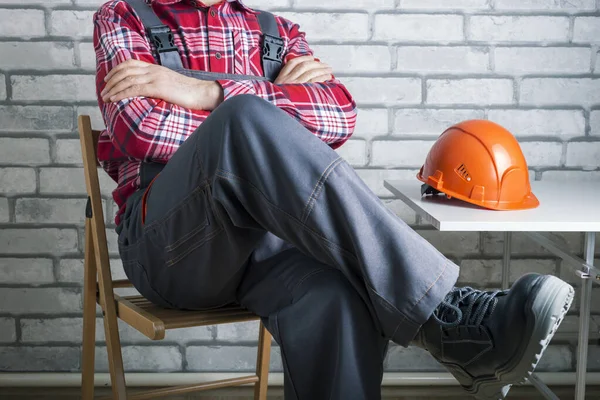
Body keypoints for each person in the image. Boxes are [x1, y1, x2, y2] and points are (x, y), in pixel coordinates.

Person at [93, 1, 574, 399]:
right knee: (242, 123)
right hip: (174, 245)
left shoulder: (276, 31)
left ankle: (458, 332)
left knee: (340, 292)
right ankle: (448, 315)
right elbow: (141, 127)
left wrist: (202, 91)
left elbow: (338, 116)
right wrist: (267, 103)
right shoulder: (124, 17)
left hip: (269, 247)